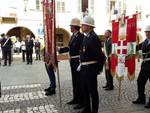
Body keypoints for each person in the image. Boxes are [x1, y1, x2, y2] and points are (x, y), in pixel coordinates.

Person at [79, 16, 105, 113]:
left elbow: (100, 56)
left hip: (90, 69)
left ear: (89, 26)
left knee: (92, 92)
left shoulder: (94, 38)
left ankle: (94, 111)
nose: (81, 26)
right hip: (84, 68)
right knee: (85, 90)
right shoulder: (86, 37)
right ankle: (87, 109)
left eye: (83, 24)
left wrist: (97, 70)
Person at [59, 18, 84, 108]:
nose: (70, 27)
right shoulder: (73, 36)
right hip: (73, 62)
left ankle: (81, 102)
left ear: (75, 27)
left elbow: (82, 50)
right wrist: (60, 49)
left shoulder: (81, 37)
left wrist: (81, 61)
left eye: (71, 26)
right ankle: (75, 98)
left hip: (78, 61)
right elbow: (70, 48)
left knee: (79, 82)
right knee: (75, 82)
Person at [132, 25, 150, 108]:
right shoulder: (146, 41)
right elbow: (137, 47)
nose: (146, 34)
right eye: (146, 32)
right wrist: (129, 48)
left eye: (148, 32)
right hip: (144, 66)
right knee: (140, 81)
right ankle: (141, 98)